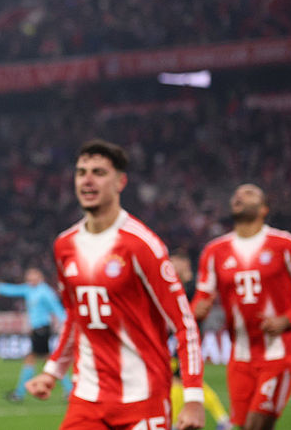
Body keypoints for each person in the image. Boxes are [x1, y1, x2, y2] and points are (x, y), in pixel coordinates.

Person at [25, 139, 205, 430]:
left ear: (121, 182)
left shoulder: (142, 245)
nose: (87, 179)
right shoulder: (65, 245)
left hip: (143, 397)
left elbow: (184, 324)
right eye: (81, 172)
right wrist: (52, 371)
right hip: (87, 397)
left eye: (98, 172)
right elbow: (76, 316)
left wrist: (193, 397)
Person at [191, 184, 291, 430]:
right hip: (239, 356)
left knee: (255, 425)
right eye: (237, 193)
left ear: (263, 209)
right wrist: (197, 309)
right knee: (245, 426)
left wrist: (288, 320)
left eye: (249, 193)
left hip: (278, 353)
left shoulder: (286, 244)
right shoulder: (214, 251)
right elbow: (201, 297)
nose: (240, 195)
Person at [0, 267, 70, 403]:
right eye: (28, 277)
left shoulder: (45, 292)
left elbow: (57, 308)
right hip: (37, 331)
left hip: (42, 330)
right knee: (50, 362)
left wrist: (67, 324)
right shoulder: (29, 289)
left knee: (32, 360)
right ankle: (69, 390)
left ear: (40, 277)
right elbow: (12, 290)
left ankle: (19, 393)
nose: (30, 279)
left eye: (33, 276)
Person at [168, 250, 231, 430]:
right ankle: (222, 419)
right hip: (178, 337)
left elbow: (200, 308)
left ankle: (220, 419)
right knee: (178, 378)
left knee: (181, 379)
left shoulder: (192, 286)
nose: (170, 265)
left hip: (190, 338)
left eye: (174, 261)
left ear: (183, 262)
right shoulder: (178, 284)